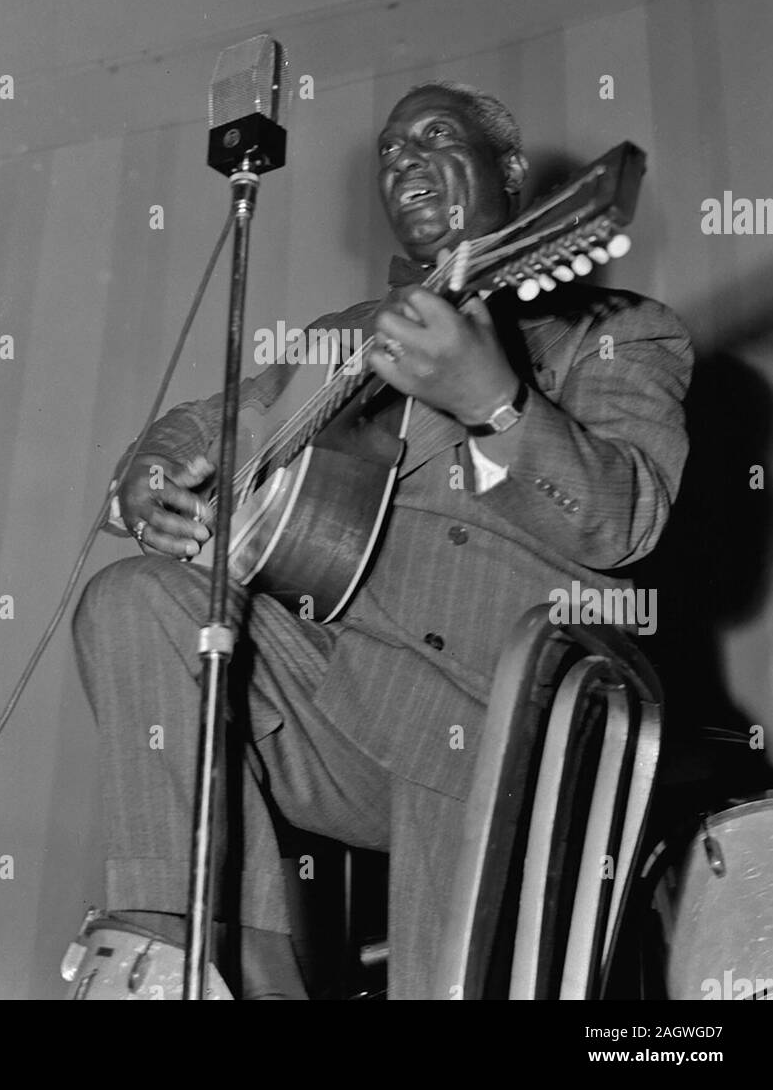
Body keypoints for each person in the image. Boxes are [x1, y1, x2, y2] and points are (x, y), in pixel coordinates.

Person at [72, 83, 693, 999]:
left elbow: (622, 520)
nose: (402, 159)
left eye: (434, 137)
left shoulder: (614, 334)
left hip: (502, 724)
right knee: (133, 599)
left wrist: (493, 401)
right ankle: (189, 959)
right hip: (344, 711)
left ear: (511, 176)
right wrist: (151, 474)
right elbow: (200, 423)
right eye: (388, 150)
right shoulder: (339, 339)